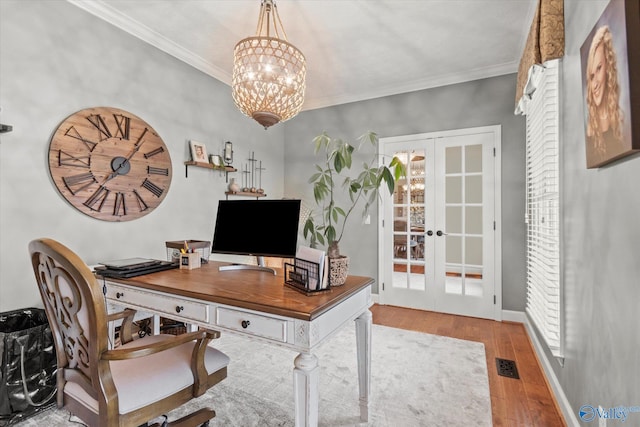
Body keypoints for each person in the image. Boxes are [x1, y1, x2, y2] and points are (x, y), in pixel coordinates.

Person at [584, 25, 624, 167]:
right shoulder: (590, 129)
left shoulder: (619, 119)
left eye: (599, 68)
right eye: (591, 76)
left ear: (608, 67)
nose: (594, 84)